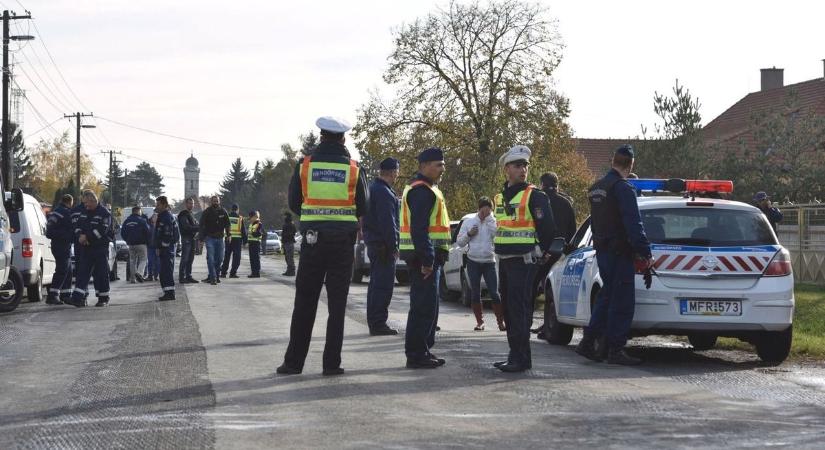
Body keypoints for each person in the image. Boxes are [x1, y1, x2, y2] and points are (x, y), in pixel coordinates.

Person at [277, 116, 369, 377]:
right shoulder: (353, 168)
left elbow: (294, 202)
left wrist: (314, 214)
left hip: (312, 241)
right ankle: (331, 364)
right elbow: (364, 206)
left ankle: (294, 363)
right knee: (337, 305)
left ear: (320, 137)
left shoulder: (305, 165)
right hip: (342, 243)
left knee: (305, 302)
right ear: (343, 138)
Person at [575, 144, 652, 366]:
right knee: (622, 303)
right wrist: (645, 252)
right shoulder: (623, 189)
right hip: (620, 252)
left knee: (606, 297)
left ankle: (589, 341)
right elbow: (633, 224)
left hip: (603, 251)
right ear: (631, 164)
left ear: (613, 161)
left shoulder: (597, 187)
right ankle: (615, 350)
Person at [492, 145, 557, 373]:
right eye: (517, 166)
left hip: (525, 262)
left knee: (519, 310)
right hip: (505, 261)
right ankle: (514, 355)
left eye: (525, 166)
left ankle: (521, 359)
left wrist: (543, 253)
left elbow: (548, 230)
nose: (523, 170)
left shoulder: (535, 196)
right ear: (506, 169)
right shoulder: (500, 197)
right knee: (509, 311)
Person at [400, 147, 451, 369]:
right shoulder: (422, 191)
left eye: (443, 164)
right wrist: (428, 260)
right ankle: (416, 354)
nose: (442, 168)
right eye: (437, 164)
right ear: (423, 166)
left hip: (427, 257)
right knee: (422, 307)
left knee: (427, 307)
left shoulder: (429, 189)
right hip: (423, 259)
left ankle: (423, 350)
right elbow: (419, 230)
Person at [532, 172, 577, 335]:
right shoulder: (565, 203)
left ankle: (542, 325)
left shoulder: (540, 201)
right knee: (552, 290)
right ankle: (548, 325)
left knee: (542, 287)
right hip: (562, 251)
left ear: (542, 184)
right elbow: (573, 228)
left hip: (544, 250)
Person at [363, 157, 401, 336]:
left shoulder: (373, 189)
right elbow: (388, 223)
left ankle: (374, 320)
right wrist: (394, 246)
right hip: (384, 246)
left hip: (374, 244)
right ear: (393, 172)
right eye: (397, 172)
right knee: (383, 286)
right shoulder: (385, 193)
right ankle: (378, 323)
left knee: (375, 285)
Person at [455, 196, 504, 331]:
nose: (484, 215)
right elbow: (460, 242)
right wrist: (469, 234)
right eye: (482, 212)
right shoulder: (470, 222)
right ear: (478, 209)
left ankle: (501, 322)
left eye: (488, 212)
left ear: (491, 211)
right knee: (475, 292)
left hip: (489, 261)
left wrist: (489, 221)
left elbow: (498, 236)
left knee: (494, 292)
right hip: (473, 261)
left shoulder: (494, 222)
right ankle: (480, 322)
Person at [65, 190, 113, 308]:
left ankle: (103, 298)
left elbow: (102, 230)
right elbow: (77, 226)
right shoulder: (85, 212)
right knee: (82, 272)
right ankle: (77, 298)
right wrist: (80, 235)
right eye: (84, 204)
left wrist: (87, 237)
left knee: (101, 273)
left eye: (87, 204)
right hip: (86, 247)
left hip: (100, 247)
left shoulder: (104, 213)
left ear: (93, 201)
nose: (85, 206)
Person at [45, 194, 74, 304]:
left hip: (58, 245)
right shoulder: (65, 213)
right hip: (62, 245)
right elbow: (69, 229)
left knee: (68, 270)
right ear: (70, 202)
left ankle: (65, 294)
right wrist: (69, 236)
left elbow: (50, 230)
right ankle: (53, 295)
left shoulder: (55, 212)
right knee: (62, 270)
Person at [199, 195, 231, 285]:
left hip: (220, 238)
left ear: (219, 202)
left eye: (217, 201)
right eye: (213, 201)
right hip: (210, 238)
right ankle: (213, 278)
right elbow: (201, 225)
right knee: (211, 259)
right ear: (211, 202)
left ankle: (215, 275)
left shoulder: (223, 211)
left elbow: (228, 224)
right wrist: (201, 239)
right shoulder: (207, 212)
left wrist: (229, 235)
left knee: (220, 259)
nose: (215, 202)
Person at [155, 196, 180, 301]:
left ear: (164, 205)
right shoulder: (163, 216)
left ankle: (170, 293)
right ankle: (167, 292)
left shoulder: (166, 217)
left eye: (158, 204)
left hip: (167, 249)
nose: (157, 206)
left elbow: (167, 235)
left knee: (166, 271)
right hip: (166, 248)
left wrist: (161, 248)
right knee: (164, 271)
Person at [121, 206, 151, 284]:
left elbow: (122, 232)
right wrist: (148, 241)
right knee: (143, 259)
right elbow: (148, 231)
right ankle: (140, 273)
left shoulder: (127, 221)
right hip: (141, 244)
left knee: (132, 261)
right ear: (138, 211)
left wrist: (127, 240)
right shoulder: (142, 220)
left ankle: (132, 279)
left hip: (131, 244)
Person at [177, 197, 200, 284]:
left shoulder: (191, 214)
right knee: (185, 258)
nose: (191, 205)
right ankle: (181, 277)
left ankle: (188, 276)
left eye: (192, 203)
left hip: (192, 238)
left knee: (191, 258)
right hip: (186, 238)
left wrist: (197, 226)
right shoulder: (183, 214)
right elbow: (186, 227)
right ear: (186, 204)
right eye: (190, 203)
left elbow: (194, 224)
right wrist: (198, 228)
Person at [220, 203, 246, 279]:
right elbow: (243, 230)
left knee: (227, 256)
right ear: (237, 209)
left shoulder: (227, 216)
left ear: (231, 209)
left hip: (228, 239)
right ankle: (233, 273)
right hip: (237, 240)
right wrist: (245, 241)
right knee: (236, 257)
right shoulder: (240, 218)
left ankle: (223, 273)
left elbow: (223, 227)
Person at [247, 210, 263, 278]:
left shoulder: (259, 224)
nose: (250, 219)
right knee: (252, 259)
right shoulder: (251, 224)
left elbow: (259, 233)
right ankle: (253, 272)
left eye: (250, 217)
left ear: (255, 217)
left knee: (256, 258)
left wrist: (254, 233)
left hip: (256, 243)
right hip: (251, 243)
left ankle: (257, 273)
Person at [146, 212, 159, 281]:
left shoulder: (160, 226)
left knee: (157, 262)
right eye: (154, 217)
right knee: (150, 261)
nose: (155, 218)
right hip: (150, 246)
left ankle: (156, 276)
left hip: (158, 247)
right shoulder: (148, 226)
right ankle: (150, 275)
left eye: (156, 217)